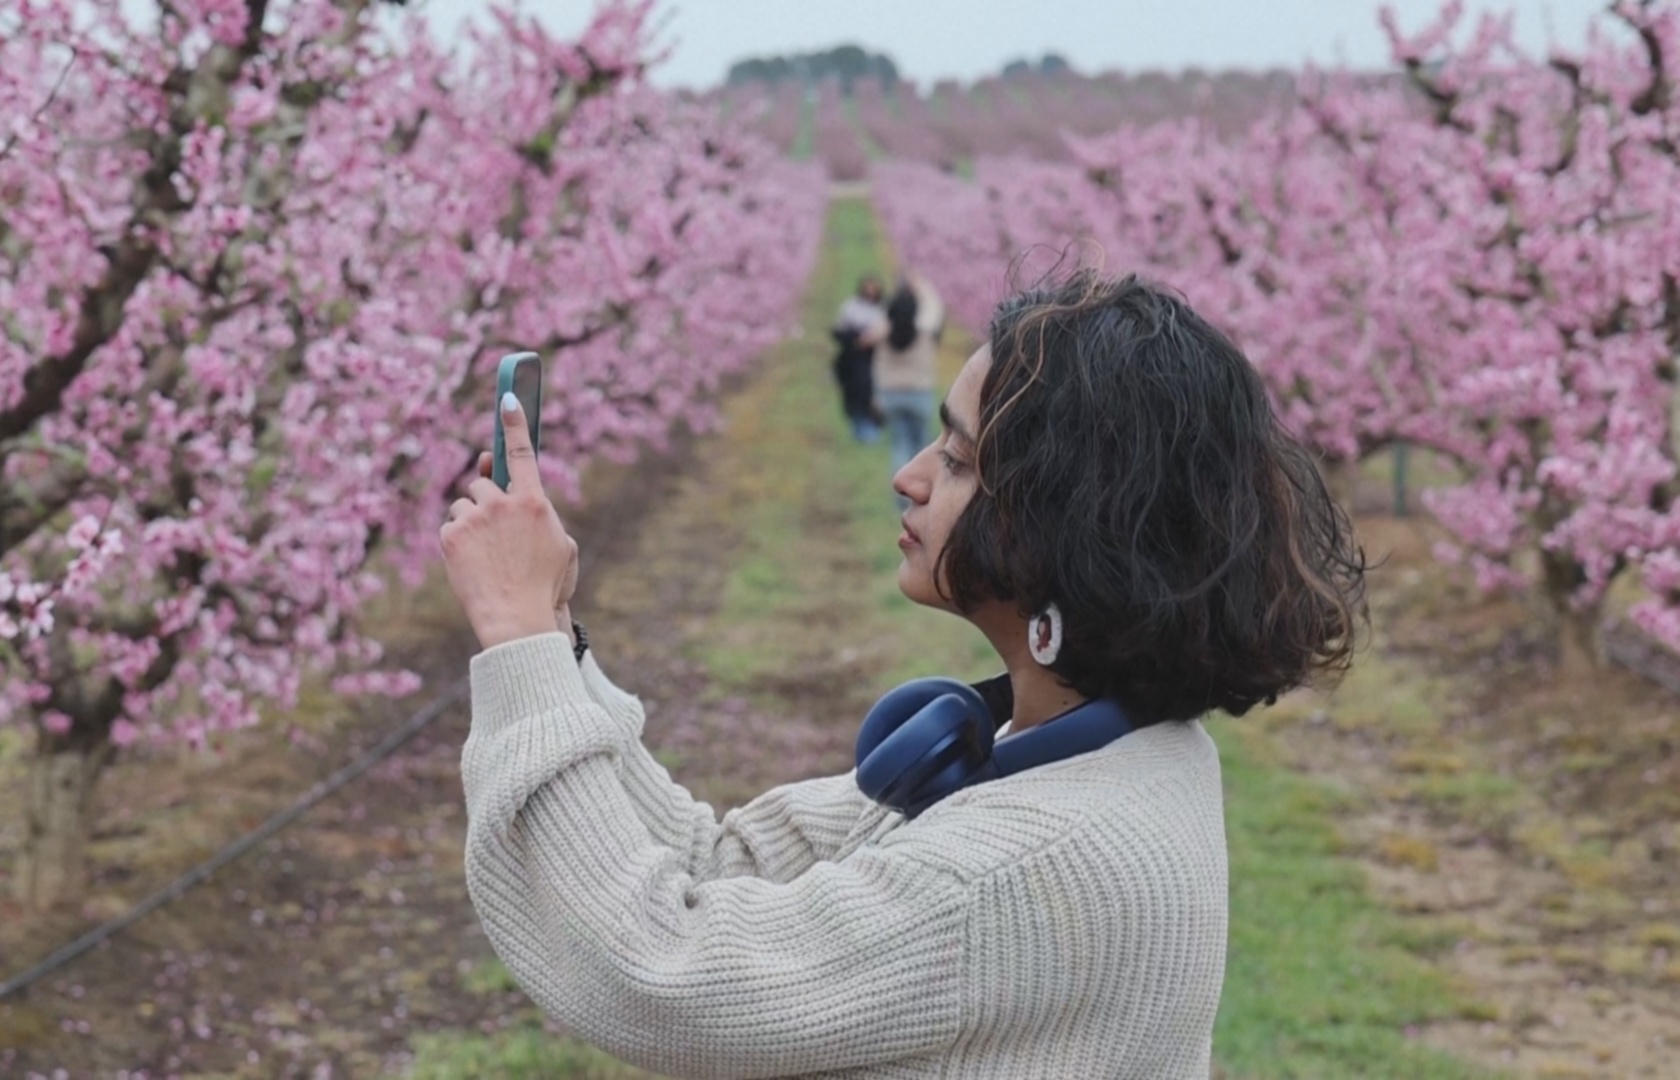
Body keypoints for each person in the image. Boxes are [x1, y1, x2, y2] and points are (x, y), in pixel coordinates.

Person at [438, 268, 1368, 1078]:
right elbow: (715, 867)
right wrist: (551, 636)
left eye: (960, 459)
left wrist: (517, 638)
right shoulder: (1072, 751)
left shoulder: (1024, 866)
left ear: (1068, 526)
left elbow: (663, 971)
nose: (911, 475)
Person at [864, 273, 944, 507]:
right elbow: (934, 306)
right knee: (921, 449)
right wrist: (920, 285)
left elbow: (869, 334)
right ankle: (922, 497)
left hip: (890, 395)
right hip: (920, 394)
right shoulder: (924, 329)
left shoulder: (883, 330)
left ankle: (901, 500)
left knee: (899, 445)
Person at [829, 274, 887, 443]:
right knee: (854, 397)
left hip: (874, 361)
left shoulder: (882, 310)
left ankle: (871, 430)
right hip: (853, 362)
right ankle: (859, 429)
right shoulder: (851, 307)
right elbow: (839, 330)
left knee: (873, 396)